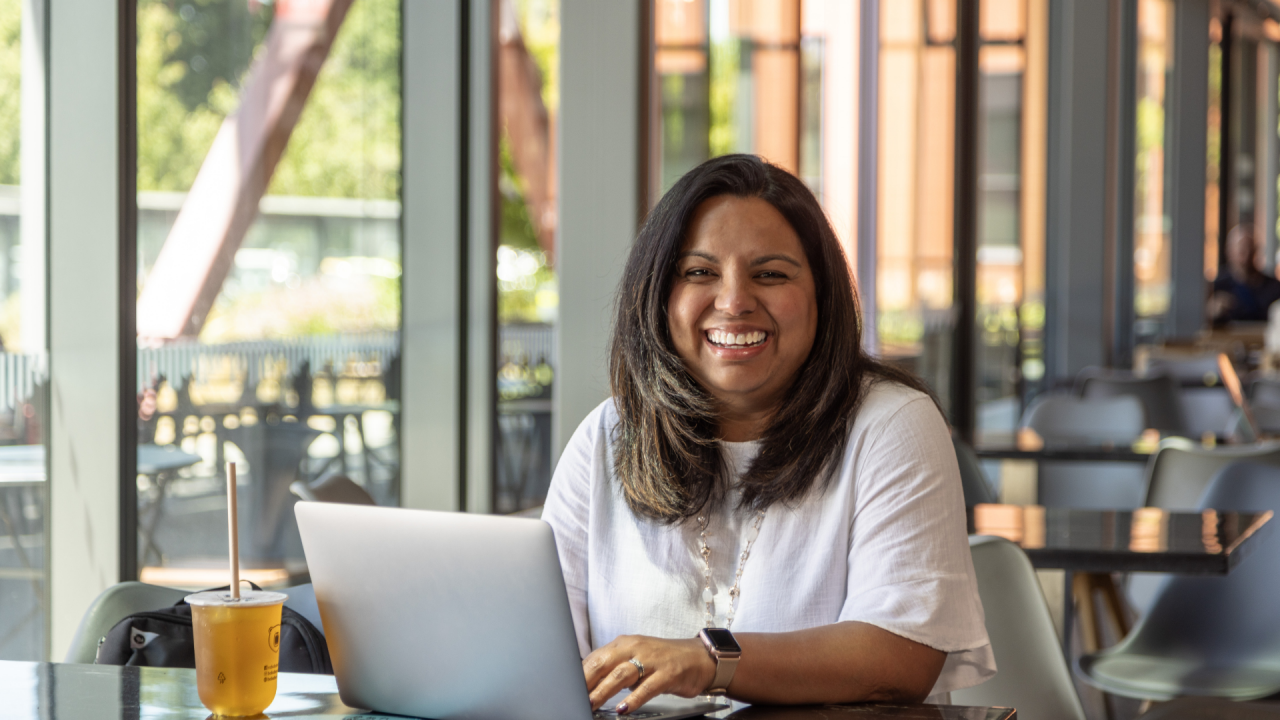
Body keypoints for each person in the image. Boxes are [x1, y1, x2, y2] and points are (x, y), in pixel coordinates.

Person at [541, 155, 994, 714]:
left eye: (771, 274)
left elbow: (900, 657)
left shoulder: (893, 425)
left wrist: (708, 661)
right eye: (699, 272)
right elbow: (540, 652)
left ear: (822, 296)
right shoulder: (607, 435)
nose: (733, 301)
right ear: (657, 295)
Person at [1209, 224, 1280, 325]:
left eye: (1249, 248)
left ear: (1255, 250)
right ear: (1228, 250)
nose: (1245, 254)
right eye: (1240, 249)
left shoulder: (1274, 288)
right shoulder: (1217, 287)